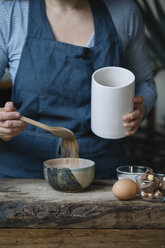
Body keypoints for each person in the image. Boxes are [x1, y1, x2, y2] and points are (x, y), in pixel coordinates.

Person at [0, 0, 157, 179]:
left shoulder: (124, 12)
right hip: (22, 169)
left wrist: (140, 110)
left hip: (100, 167)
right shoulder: (9, 14)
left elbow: (146, 84)